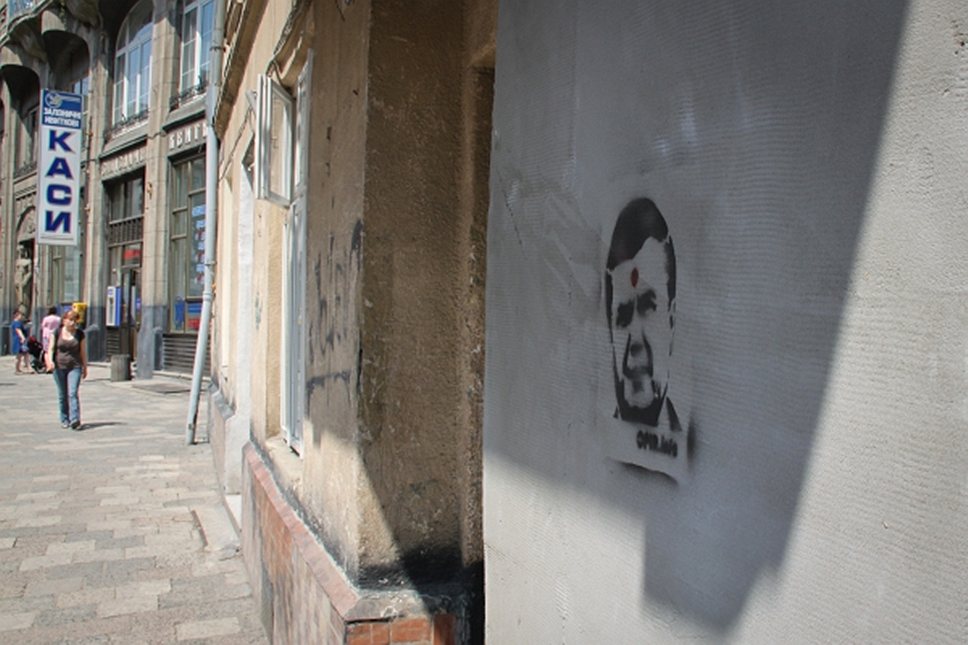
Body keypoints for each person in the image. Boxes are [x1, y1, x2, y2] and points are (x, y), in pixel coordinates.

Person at [605, 198, 691, 475]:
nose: (636, 343)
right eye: (622, 317)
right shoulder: (599, 459)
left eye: (648, 309)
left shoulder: (690, 462)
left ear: (671, 320)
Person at [45, 309, 88, 429]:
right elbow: (51, 349)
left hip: (75, 366)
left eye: (75, 320)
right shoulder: (57, 332)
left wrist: (85, 367)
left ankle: (75, 419)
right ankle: (64, 418)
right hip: (59, 367)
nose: (73, 323)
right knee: (62, 394)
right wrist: (50, 361)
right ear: (64, 320)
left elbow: (83, 352)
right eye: (70, 320)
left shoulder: (80, 334)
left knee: (72, 393)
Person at [11, 310, 29, 374]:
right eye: (20, 315)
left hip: (18, 340)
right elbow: (18, 330)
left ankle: (23, 368)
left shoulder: (15, 322)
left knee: (24, 354)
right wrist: (22, 337)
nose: (21, 317)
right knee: (19, 356)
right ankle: (17, 369)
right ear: (16, 315)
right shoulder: (17, 323)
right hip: (18, 341)